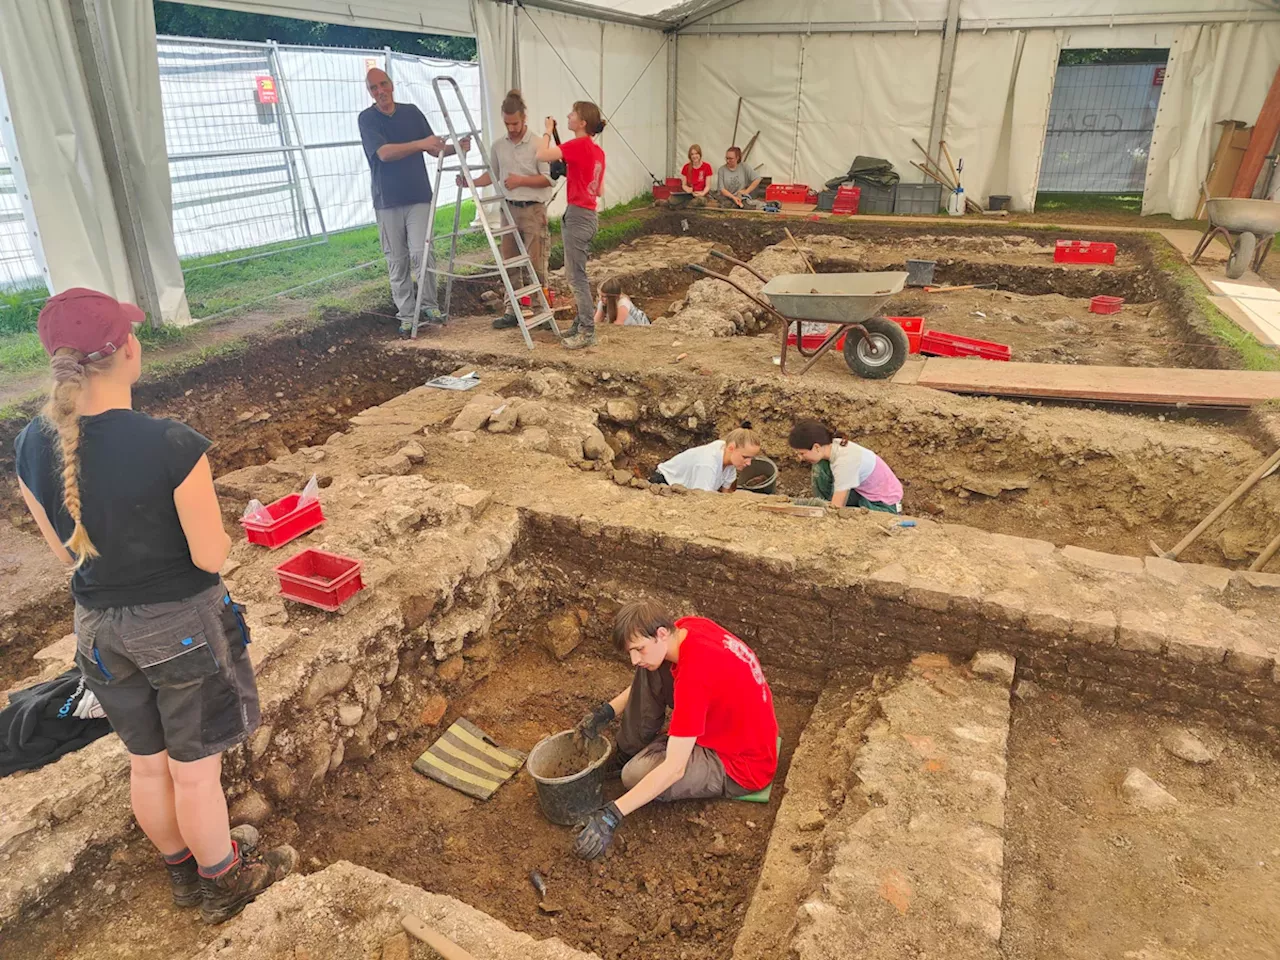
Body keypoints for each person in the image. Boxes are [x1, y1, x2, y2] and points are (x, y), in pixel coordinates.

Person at [14, 289, 295, 924]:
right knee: (194, 771)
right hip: (180, 630)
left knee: (148, 762)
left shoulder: (33, 444)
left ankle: (182, 875)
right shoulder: (171, 444)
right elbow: (209, 557)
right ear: (125, 352)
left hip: (97, 636)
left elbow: (65, 556)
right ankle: (224, 877)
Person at [572, 600, 779, 860]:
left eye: (639, 649)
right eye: (631, 652)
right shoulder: (685, 630)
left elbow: (675, 769)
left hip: (742, 764)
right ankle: (631, 747)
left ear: (660, 633)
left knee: (634, 774)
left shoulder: (694, 677)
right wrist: (605, 713)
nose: (634, 659)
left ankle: (649, 752)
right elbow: (646, 673)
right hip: (737, 728)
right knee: (650, 669)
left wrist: (611, 815)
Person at [359, 67, 470, 337]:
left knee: (422, 252)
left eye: (383, 84)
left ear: (392, 85)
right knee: (397, 260)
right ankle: (407, 314)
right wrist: (420, 143)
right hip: (387, 201)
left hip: (418, 194)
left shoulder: (411, 112)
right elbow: (384, 154)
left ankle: (429, 305)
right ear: (370, 92)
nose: (380, 91)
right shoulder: (368, 119)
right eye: (374, 88)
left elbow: (434, 148)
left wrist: (457, 147)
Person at [459, 89, 552, 331]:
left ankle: (542, 312)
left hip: (533, 210)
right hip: (508, 210)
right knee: (510, 262)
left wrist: (521, 180)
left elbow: (546, 179)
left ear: (524, 118)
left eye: (515, 123)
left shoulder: (538, 144)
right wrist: (470, 181)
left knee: (535, 264)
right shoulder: (499, 146)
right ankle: (513, 310)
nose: (511, 128)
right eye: (507, 123)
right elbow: (493, 173)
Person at [536, 102, 606, 350]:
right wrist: (573, 172)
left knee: (576, 277)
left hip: (578, 216)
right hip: (589, 214)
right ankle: (580, 323)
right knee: (577, 273)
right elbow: (598, 188)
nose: (568, 115)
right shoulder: (597, 151)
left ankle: (587, 329)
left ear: (582, 122)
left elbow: (541, 155)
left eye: (573, 114)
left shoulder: (578, 145)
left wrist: (547, 131)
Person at [788, 419, 904, 513]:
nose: (800, 458)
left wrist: (832, 511)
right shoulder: (832, 446)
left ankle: (826, 507)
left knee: (853, 518)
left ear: (816, 447)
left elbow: (837, 507)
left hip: (884, 504)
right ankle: (824, 504)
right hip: (862, 491)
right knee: (820, 466)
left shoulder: (844, 462)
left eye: (802, 453)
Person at [650, 425, 761, 492]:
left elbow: (726, 493)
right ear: (731, 448)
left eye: (751, 458)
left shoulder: (728, 456)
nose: (749, 463)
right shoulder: (708, 465)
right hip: (665, 483)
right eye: (745, 457)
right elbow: (701, 500)